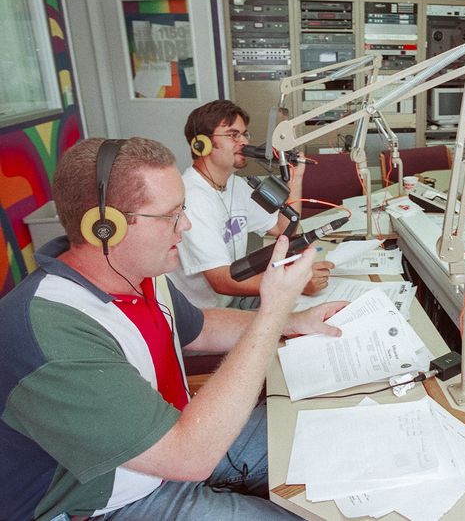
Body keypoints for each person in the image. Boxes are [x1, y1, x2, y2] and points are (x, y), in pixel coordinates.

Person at [0, 137, 345, 520]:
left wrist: (292, 321)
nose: (187, 225)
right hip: (112, 501)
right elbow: (189, 457)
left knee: (324, 444)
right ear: (105, 227)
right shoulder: (51, 329)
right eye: (172, 215)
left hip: (176, 439)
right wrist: (270, 314)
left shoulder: (139, 274)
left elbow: (200, 327)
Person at [170, 100, 334, 309]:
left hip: (232, 299)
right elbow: (222, 280)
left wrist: (296, 179)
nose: (244, 142)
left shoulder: (235, 185)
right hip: (206, 315)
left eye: (244, 134)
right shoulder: (192, 199)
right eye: (233, 135)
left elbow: (283, 228)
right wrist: (295, 283)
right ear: (201, 144)